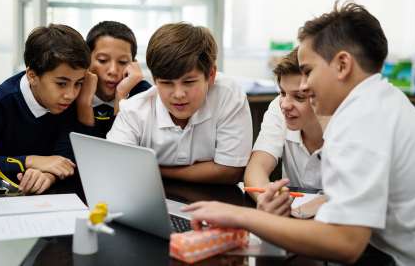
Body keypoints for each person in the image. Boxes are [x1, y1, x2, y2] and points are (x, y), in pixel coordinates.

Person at [183, 1, 415, 265]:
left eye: (309, 71)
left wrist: (238, 216)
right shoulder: (380, 99)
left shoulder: (361, 118)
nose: (307, 85)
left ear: (342, 65)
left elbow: (344, 242)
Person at [107, 22, 252, 184]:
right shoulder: (134, 110)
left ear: (211, 75)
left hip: (221, 202)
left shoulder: (228, 94)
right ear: (155, 80)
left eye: (189, 82)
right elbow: (117, 168)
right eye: (167, 83)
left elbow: (231, 171)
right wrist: (206, 169)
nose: (178, 95)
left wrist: (153, 167)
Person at [0, 24, 90, 195]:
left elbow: (65, 155)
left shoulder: (70, 101)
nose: (70, 94)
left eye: (79, 83)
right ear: (32, 76)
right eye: (61, 84)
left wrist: (48, 175)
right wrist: (29, 161)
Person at [244, 48, 325, 216]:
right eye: (282, 92)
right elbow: (257, 167)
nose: (285, 105)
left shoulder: (348, 121)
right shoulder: (278, 107)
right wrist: (267, 201)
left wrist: (298, 212)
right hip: (293, 219)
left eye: (300, 97)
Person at [76, 21, 151, 138]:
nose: (113, 71)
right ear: (87, 59)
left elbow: (120, 151)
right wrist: (84, 103)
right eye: (102, 60)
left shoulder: (145, 96)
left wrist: (120, 97)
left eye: (122, 62)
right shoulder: (71, 89)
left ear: (133, 65)